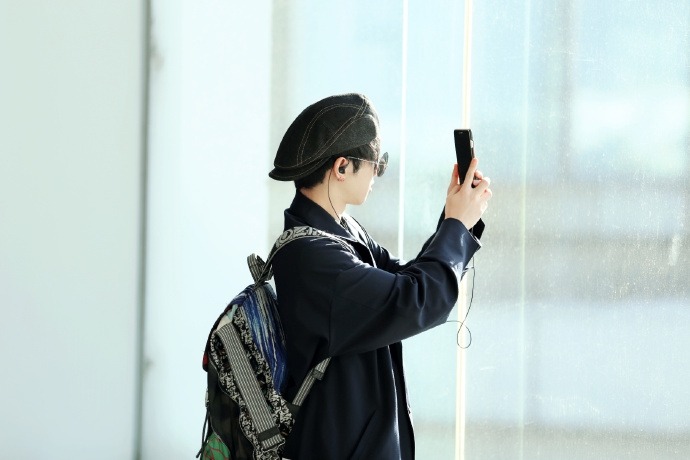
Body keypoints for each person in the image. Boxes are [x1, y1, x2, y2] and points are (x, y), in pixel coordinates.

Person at [268, 93, 491, 460]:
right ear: (342, 168)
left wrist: (456, 220)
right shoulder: (313, 256)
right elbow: (415, 300)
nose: (378, 173)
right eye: (377, 164)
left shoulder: (338, 231)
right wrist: (455, 226)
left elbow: (407, 279)